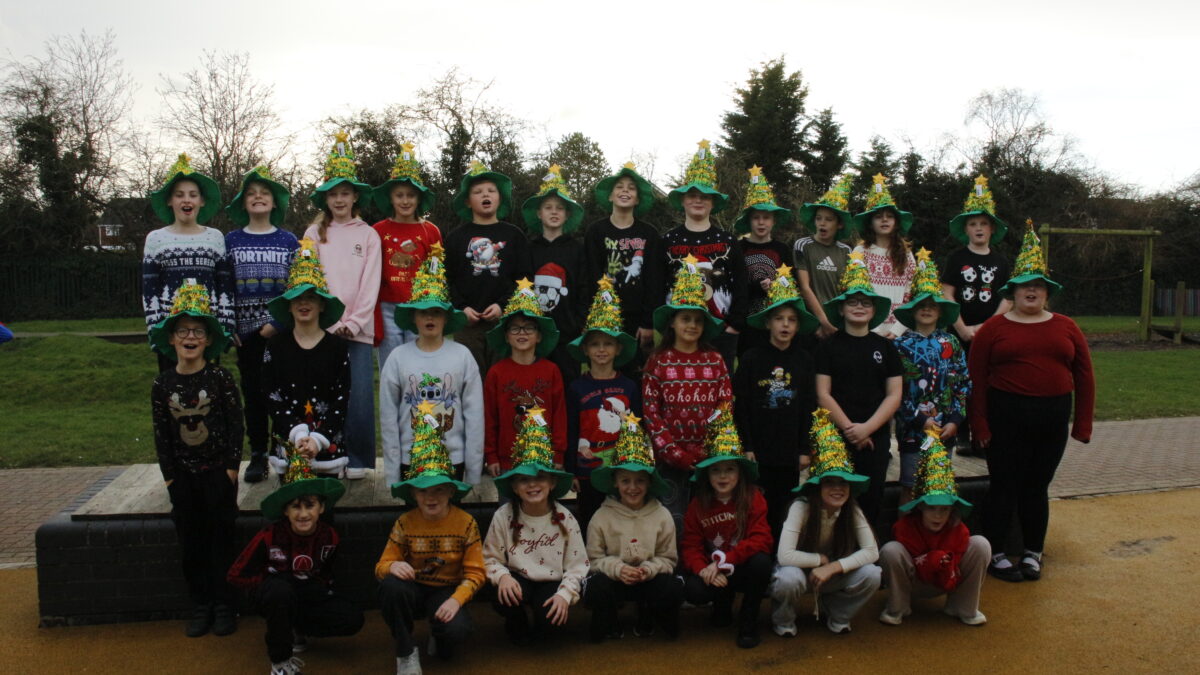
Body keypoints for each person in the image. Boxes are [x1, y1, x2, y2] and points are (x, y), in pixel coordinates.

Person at [970, 221, 1094, 583]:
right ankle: (994, 552)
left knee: (1037, 486)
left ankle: (1032, 552)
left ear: (1047, 292)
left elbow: (1085, 375)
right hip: (1005, 416)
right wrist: (979, 425)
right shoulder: (993, 329)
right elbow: (975, 379)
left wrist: (1082, 424)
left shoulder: (1066, 326)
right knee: (1004, 485)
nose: (1032, 291)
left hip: (1052, 417)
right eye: (1025, 285)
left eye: (1038, 286)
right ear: (1013, 291)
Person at [148, 281, 241, 637]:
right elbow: (161, 434)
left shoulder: (220, 378)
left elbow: (236, 425)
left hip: (217, 473)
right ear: (172, 338)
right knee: (192, 543)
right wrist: (170, 476)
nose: (190, 337)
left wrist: (231, 468)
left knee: (221, 540)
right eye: (183, 331)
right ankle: (201, 604)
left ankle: (225, 605)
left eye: (198, 331)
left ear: (208, 339)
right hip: (183, 477)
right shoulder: (162, 384)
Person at [227, 456, 361, 675]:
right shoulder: (269, 536)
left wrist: (318, 589)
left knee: (352, 617)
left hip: (305, 591)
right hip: (273, 592)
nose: (303, 514)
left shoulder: (329, 537)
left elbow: (326, 572)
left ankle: (296, 627)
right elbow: (235, 575)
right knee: (280, 592)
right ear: (285, 511)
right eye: (295, 507)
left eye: (310, 506)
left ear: (321, 508)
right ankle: (280, 661)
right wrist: (267, 582)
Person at [377, 409, 484, 674]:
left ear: (450, 492)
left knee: (455, 634)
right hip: (413, 587)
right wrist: (392, 566)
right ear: (413, 494)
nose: (431, 497)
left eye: (438, 490)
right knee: (390, 587)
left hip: (446, 590)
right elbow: (381, 566)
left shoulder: (466, 523)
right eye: (423, 491)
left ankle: (440, 633)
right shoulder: (405, 522)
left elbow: (476, 573)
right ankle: (405, 650)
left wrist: (456, 600)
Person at [302, 131, 381, 480]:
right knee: (322, 395)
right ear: (326, 197)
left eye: (345, 193)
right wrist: (330, 322)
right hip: (322, 329)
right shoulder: (313, 234)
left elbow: (370, 282)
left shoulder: (368, 234)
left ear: (354, 196)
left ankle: (360, 460)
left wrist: (354, 321)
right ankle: (327, 456)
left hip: (358, 330)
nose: (339, 199)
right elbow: (311, 281)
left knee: (359, 396)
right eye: (333, 193)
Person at [380, 241, 483, 489]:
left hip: (453, 461)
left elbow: (475, 416)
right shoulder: (398, 357)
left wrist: (473, 471)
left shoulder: (462, 356)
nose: (429, 317)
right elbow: (388, 419)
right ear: (413, 317)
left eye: (436, 312)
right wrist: (393, 474)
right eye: (423, 312)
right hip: (411, 460)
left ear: (446, 317)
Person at [770, 409, 881, 636]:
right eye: (830, 482)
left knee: (872, 574)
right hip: (800, 572)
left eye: (843, 483)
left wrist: (832, 567)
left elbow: (872, 551)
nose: (837, 489)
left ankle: (838, 612)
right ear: (818, 486)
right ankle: (783, 618)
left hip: (831, 573)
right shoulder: (801, 507)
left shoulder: (852, 509)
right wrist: (818, 560)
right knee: (787, 579)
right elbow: (785, 556)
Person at [643, 255, 732, 536]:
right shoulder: (658, 361)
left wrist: (706, 449)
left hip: (708, 460)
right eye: (685, 319)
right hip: (669, 460)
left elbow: (725, 405)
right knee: (672, 523)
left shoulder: (714, 360)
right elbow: (651, 413)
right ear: (672, 322)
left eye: (697, 320)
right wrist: (674, 453)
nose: (691, 325)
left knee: (708, 523)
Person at [483, 409, 588, 644]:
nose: (532, 485)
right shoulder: (503, 516)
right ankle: (516, 620)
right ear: (514, 487)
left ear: (552, 483)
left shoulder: (565, 518)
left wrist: (564, 595)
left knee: (549, 627)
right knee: (500, 592)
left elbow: (578, 565)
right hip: (517, 579)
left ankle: (543, 620)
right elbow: (489, 558)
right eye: (524, 480)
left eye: (540, 478)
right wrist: (502, 577)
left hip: (551, 581)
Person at [815, 252, 903, 527]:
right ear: (841, 309)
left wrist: (867, 429)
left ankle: (868, 550)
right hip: (836, 435)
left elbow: (894, 394)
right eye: (852, 302)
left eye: (865, 302)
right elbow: (822, 393)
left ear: (874, 310)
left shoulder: (885, 347)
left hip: (875, 437)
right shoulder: (828, 347)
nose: (859, 307)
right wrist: (849, 429)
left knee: (871, 499)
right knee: (832, 503)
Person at [223, 166, 298, 483]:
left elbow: (297, 287)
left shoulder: (288, 241)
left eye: (264, 193)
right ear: (243, 203)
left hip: (279, 333)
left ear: (274, 202)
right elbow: (224, 285)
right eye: (251, 194)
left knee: (281, 393)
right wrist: (228, 325)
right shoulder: (231, 241)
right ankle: (256, 454)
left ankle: (280, 449)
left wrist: (279, 323)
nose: (258, 197)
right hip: (245, 335)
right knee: (253, 396)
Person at [734, 264, 819, 536]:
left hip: (789, 451)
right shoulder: (751, 358)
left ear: (798, 325)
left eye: (791, 320)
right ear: (768, 322)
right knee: (756, 507)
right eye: (779, 318)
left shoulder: (804, 360)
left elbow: (808, 405)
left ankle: (780, 555)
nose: (785, 325)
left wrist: (804, 448)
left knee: (784, 509)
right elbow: (742, 404)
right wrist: (747, 445)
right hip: (758, 449)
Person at [680, 405, 773, 649]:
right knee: (694, 590)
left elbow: (762, 539)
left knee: (762, 563)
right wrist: (703, 569)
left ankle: (748, 621)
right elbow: (690, 546)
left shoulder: (753, 497)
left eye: (730, 469)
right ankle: (722, 604)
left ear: (740, 473)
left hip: (742, 565)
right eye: (716, 470)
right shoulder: (697, 505)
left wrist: (724, 562)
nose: (723, 476)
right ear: (707, 475)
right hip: (713, 570)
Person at [584, 413, 683, 641]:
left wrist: (648, 569)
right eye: (625, 481)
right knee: (597, 586)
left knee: (671, 587)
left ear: (649, 483)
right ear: (615, 483)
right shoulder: (601, 516)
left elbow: (668, 559)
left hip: (648, 579)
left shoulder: (661, 515)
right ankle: (608, 619)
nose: (632, 488)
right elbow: (593, 560)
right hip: (615, 579)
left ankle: (649, 614)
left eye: (640, 481)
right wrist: (618, 569)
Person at [878, 431, 990, 627]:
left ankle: (962, 606)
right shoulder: (905, 527)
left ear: (952, 511)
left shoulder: (958, 529)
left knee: (981, 544)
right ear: (920, 507)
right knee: (890, 550)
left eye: (944, 509)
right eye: (932, 508)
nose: (938, 516)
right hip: (915, 580)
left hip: (948, 576)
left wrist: (942, 561)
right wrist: (932, 559)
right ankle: (898, 606)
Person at [262, 240, 351, 478]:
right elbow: (271, 394)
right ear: (288, 306)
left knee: (324, 499)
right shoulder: (275, 346)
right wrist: (298, 434)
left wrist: (318, 439)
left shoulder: (337, 347)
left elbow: (342, 398)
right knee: (292, 499)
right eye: (297, 298)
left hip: (327, 446)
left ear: (322, 305)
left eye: (311, 297)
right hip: (289, 444)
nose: (304, 303)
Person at [658, 140, 748, 369]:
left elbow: (740, 283)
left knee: (719, 384)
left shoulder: (728, 241)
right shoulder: (668, 241)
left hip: (721, 329)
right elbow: (657, 282)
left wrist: (734, 325)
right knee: (678, 381)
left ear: (713, 202)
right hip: (678, 330)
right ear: (683, 200)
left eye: (705, 196)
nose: (698, 200)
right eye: (692, 195)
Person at [892, 249, 971, 504]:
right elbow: (895, 391)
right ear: (912, 310)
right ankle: (905, 528)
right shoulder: (900, 346)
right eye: (921, 305)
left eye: (932, 305)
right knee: (910, 486)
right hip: (912, 431)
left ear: (940, 311)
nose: (926, 310)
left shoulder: (951, 343)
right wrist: (918, 419)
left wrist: (956, 420)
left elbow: (962, 383)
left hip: (945, 430)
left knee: (938, 486)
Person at [142, 154, 234, 371]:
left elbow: (225, 286)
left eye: (193, 195)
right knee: (172, 385)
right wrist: (155, 331)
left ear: (201, 201)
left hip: (206, 332)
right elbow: (149, 290)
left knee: (209, 385)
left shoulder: (215, 237)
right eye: (179, 195)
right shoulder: (156, 239)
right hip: (172, 333)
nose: (186, 200)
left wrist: (226, 326)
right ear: (170, 201)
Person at [565, 276, 642, 531]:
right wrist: (572, 470)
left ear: (618, 349)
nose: (601, 349)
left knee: (624, 522)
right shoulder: (576, 388)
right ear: (585, 349)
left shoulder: (629, 386)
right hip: (587, 470)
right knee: (591, 522)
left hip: (622, 471)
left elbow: (637, 429)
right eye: (595, 344)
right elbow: (572, 430)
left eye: (608, 343)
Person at [941, 175, 1011, 456]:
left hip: (989, 333)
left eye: (983, 223)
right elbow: (947, 293)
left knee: (985, 382)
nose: (979, 228)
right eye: (973, 224)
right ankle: (961, 431)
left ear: (992, 228)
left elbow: (1007, 297)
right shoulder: (956, 259)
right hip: (960, 332)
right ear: (966, 229)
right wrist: (961, 328)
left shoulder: (1001, 261)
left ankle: (984, 435)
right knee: (958, 381)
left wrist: (987, 327)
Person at [444, 160, 533, 373]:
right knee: (470, 379)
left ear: (499, 198)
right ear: (467, 201)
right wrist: (461, 308)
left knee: (502, 377)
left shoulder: (514, 235)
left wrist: (503, 306)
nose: (485, 194)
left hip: (505, 323)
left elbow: (525, 278)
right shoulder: (456, 237)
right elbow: (447, 279)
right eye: (478, 192)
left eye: (491, 191)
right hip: (467, 324)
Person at [482, 280, 566, 477]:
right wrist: (491, 455)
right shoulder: (496, 373)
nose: (522, 333)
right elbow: (489, 417)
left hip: (544, 457)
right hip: (508, 460)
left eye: (529, 328)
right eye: (515, 328)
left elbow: (559, 415)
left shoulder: (551, 370)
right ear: (506, 336)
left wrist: (559, 453)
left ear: (539, 336)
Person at [371, 143, 442, 374]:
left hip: (418, 308)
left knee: (419, 366)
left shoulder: (430, 230)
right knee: (391, 366)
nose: (405, 201)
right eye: (399, 195)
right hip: (387, 305)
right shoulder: (378, 230)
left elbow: (436, 270)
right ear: (391, 198)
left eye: (410, 195)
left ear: (418, 199)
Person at [584, 162, 662, 373]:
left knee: (635, 375)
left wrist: (648, 322)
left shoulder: (649, 234)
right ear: (610, 196)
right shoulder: (596, 231)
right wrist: (593, 316)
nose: (625, 191)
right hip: (605, 316)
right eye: (619, 187)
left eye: (631, 188)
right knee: (602, 371)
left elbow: (654, 280)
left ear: (637, 199)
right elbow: (590, 276)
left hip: (637, 319)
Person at [525, 165, 586, 385]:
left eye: (559, 208)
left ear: (567, 214)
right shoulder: (529, 248)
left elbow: (584, 287)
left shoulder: (577, 249)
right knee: (535, 384)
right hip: (535, 333)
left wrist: (579, 321)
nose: (554, 212)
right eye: (548, 207)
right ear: (539, 213)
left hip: (567, 332)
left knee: (568, 384)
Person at [732, 166, 793, 355]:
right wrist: (757, 287)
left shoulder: (782, 250)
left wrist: (776, 286)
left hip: (774, 322)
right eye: (756, 218)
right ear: (749, 221)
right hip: (746, 322)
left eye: (766, 218)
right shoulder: (739, 248)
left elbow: (792, 284)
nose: (761, 222)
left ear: (773, 221)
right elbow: (735, 284)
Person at [851, 174, 916, 339]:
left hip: (900, 332)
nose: (884, 220)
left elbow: (911, 293)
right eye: (878, 216)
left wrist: (897, 330)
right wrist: (872, 329)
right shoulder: (860, 251)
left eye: (889, 216)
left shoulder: (906, 255)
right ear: (870, 223)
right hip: (868, 330)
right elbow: (856, 291)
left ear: (896, 222)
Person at [794, 174, 856, 339]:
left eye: (829, 219)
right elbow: (804, 287)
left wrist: (837, 322)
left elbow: (848, 290)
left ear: (839, 224)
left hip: (838, 323)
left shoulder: (847, 251)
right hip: (812, 324)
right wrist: (823, 321)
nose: (822, 223)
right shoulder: (802, 245)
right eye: (819, 218)